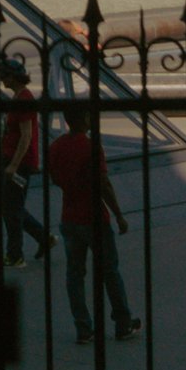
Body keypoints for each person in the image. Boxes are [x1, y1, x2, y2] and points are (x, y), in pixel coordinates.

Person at [45, 100, 140, 343]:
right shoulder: (91, 148)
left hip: (69, 218)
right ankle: (122, 323)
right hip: (94, 219)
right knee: (110, 271)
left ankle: (83, 328)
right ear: (82, 119)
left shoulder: (56, 147)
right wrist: (118, 214)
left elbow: (54, 178)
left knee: (75, 274)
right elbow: (104, 185)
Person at [0, 53, 57, 268]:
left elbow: (26, 136)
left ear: (14, 77)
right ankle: (43, 238)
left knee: (11, 209)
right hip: (14, 160)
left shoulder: (25, 99)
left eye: (4, 76)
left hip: (18, 163)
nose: (2, 79)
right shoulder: (20, 97)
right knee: (13, 207)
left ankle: (15, 255)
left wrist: (12, 165)